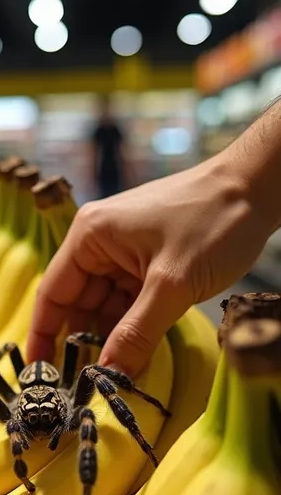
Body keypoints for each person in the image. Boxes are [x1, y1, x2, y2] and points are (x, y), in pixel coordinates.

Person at [28, 97, 281, 378]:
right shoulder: (99, 130)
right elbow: (93, 154)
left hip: (110, 176)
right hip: (104, 176)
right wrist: (239, 185)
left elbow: (118, 154)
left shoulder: (112, 129)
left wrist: (238, 185)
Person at [90, 96, 127, 199]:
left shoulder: (115, 129)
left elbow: (121, 153)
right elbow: (93, 154)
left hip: (114, 168)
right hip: (104, 169)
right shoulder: (98, 130)